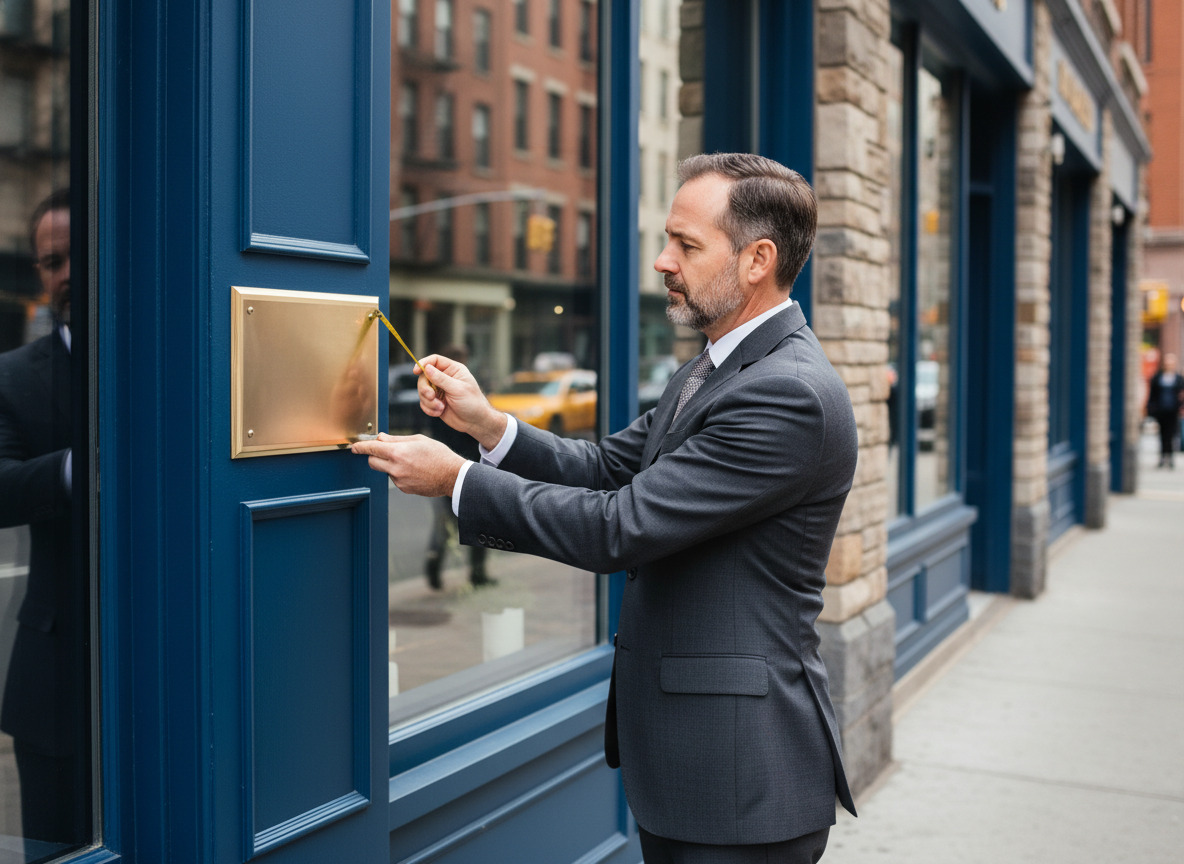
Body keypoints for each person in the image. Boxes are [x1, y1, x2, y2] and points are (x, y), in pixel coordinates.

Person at [353, 153, 858, 863]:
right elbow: (608, 469)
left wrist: (457, 481)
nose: (661, 261)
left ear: (757, 260)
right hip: (695, 763)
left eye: (686, 245)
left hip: (742, 781)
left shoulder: (787, 394)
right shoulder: (713, 365)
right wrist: (488, 426)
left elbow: (620, 526)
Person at [0, 189, 89, 849]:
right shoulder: (11, 377)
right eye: (49, 262)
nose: (62, 274)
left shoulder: (173, 356)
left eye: (74, 256)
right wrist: (82, 464)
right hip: (55, 689)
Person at [423, 344, 493, 590]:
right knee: (475, 522)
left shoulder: (437, 396)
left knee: (447, 525)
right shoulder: (454, 397)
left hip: (446, 465)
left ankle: (436, 571)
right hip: (463, 466)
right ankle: (476, 573)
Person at [1146, 352, 1184, 468]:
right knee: (1162, 434)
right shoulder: (1157, 378)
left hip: (1173, 411)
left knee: (1171, 434)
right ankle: (1162, 457)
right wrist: (1151, 408)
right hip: (1161, 410)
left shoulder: (1178, 379)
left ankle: (1170, 457)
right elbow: (1152, 394)